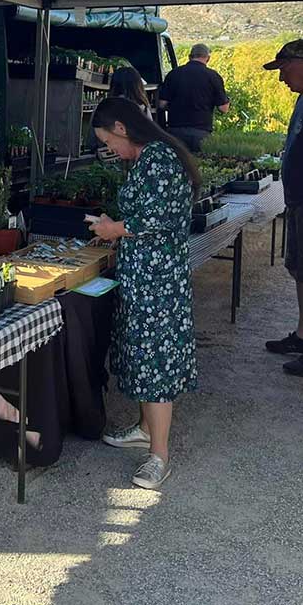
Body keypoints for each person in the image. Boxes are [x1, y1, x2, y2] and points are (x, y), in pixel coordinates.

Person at [87, 97, 200, 490]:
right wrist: (115, 230)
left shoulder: (158, 158)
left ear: (121, 128)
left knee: (154, 362)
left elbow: (155, 218)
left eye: (108, 141)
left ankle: (159, 455)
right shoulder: (151, 157)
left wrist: (112, 229)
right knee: (139, 352)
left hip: (157, 279)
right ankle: (142, 429)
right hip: (145, 274)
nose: (110, 150)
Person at [262, 39, 303, 376]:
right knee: (299, 269)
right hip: (298, 200)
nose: (281, 78)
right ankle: (302, 337)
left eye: (284, 68)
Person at [157, 43, 230, 151]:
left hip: (175, 132)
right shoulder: (213, 76)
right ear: (208, 58)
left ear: (190, 57)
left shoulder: (174, 74)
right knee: (200, 166)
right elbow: (223, 109)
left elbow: (161, 104)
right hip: (201, 133)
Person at [90, 65, 152, 163]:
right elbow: (150, 138)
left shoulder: (102, 109)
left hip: (107, 161)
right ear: (137, 85)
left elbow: (92, 141)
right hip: (136, 163)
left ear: (113, 85)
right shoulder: (142, 109)